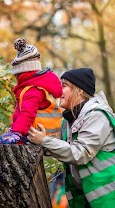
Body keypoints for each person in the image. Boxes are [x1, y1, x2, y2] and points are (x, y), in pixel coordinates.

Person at [28, 68, 115, 208]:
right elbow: (64, 149)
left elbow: (80, 153)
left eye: (64, 86)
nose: (58, 91)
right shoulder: (68, 121)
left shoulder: (97, 116)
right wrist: (37, 141)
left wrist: (44, 141)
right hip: (86, 196)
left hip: (108, 197)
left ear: (79, 90)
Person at [0, 37, 63, 145]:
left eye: (16, 75)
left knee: (2, 144)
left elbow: (27, 113)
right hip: (44, 133)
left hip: (35, 134)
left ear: (22, 73)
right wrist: (14, 128)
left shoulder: (33, 90)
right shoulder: (38, 86)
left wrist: (17, 132)